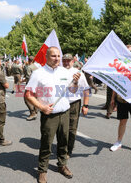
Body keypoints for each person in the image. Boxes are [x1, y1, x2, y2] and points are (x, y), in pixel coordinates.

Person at [25, 47, 81, 183]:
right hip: (49, 116)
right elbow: (28, 95)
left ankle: (62, 165)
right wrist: (41, 107)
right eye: (53, 56)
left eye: (58, 56)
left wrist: (75, 82)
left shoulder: (64, 71)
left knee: (64, 142)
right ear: (46, 57)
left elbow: (72, 91)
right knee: (46, 144)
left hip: (65, 113)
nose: (57, 59)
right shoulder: (38, 74)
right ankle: (42, 170)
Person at [62, 53, 90, 158]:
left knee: (71, 128)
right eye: (64, 60)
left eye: (68, 60)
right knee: (61, 128)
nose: (66, 63)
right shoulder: (58, 72)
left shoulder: (78, 73)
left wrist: (85, 105)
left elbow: (86, 89)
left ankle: (68, 150)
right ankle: (62, 146)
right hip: (61, 103)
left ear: (73, 61)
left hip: (74, 103)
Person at [23, 56, 38, 121]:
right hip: (37, 85)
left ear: (28, 60)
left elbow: (28, 77)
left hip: (30, 85)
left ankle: (32, 113)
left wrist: (22, 81)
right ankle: (36, 110)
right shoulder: (35, 66)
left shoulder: (29, 67)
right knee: (35, 98)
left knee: (26, 99)